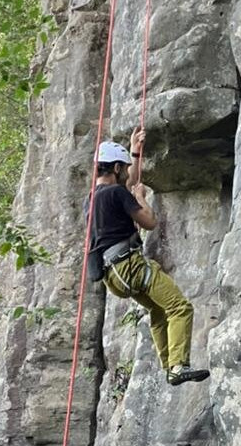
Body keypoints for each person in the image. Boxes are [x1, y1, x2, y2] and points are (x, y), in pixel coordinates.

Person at [86, 129, 210, 386]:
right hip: (129, 266)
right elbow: (150, 222)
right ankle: (178, 366)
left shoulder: (94, 198)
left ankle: (170, 366)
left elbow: (128, 181)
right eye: (124, 168)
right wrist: (141, 198)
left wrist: (135, 152)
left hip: (113, 276)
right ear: (116, 168)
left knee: (158, 309)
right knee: (180, 307)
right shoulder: (117, 194)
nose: (126, 173)